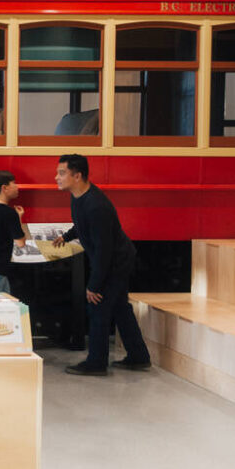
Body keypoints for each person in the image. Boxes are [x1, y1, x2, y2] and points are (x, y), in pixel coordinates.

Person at [52, 153, 152, 376]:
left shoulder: (96, 206)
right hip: (111, 258)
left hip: (116, 261)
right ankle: (139, 356)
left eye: (61, 173)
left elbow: (105, 251)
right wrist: (66, 237)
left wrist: (94, 285)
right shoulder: (78, 197)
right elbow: (81, 224)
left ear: (77, 176)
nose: (56, 177)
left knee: (97, 306)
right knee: (120, 308)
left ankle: (96, 363)